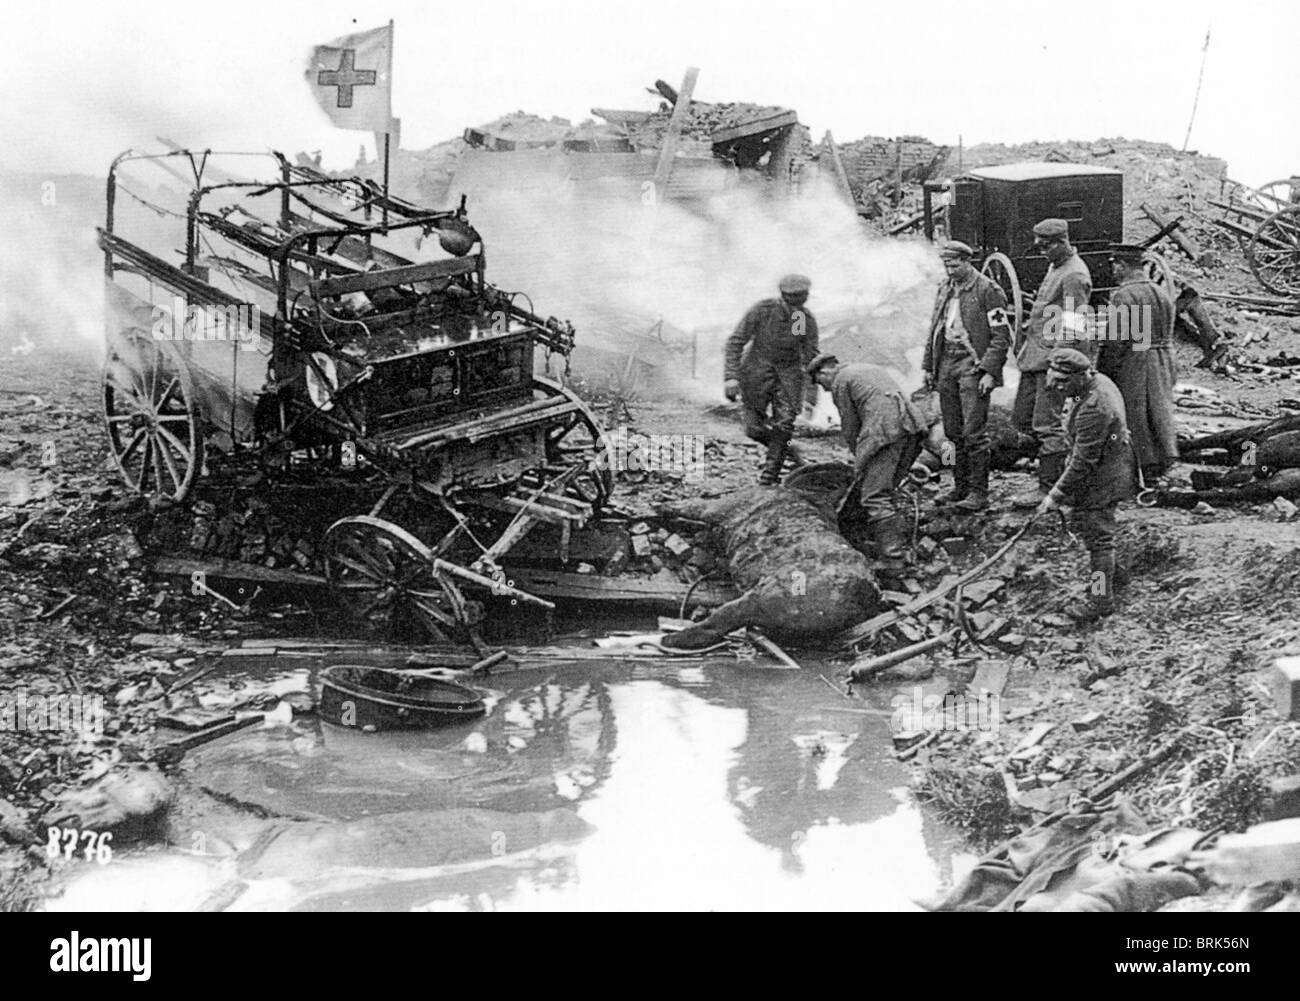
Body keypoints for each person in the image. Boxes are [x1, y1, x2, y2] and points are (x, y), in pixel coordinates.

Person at [1035, 348, 1137, 622]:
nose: (1054, 385)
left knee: (1098, 538)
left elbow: (1082, 461)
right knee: (1094, 529)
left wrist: (1054, 496)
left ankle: (1100, 601)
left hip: (1105, 476)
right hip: (1107, 466)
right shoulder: (1096, 382)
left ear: (1082, 376)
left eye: (1062, 381)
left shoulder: (1094, 407)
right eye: (1052, 378)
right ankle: (1117, 576)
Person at [807, 353, 928, 568]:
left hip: (885, 433)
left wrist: (859, 460)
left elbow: (850, 427)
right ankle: (893, 543)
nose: (824, 389)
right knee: (887, 488)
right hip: (912, 428)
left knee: (874, 497)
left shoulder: (841, 381)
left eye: (820, 383)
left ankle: (893, 561)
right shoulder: (864, 367)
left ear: (825, 371)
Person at [922, 240, 1013, 511]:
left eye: (954, 264)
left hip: (973, 366)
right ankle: (958, 486)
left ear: (967, 262)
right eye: (946, 264)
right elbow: (934, 329)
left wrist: (989, 371)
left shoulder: (987, 290)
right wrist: (928, 365)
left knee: (974, 432)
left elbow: (1001, 336)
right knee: (952, 432)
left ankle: (978, 493)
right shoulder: (945, 288)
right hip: (946, 363)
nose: (949, 269)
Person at [1012, 218, 1095, 508]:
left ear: (1062, 243)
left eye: (1046, 246)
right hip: (1036, 356)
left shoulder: (1074, 275)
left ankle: (1050, 487)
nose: (1042, 252)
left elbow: (1075, 325)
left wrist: (1058, 367)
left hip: (1052, 361)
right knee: (1022, 418)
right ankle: (1059, 470)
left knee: (1047, 424)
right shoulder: (1057, 266)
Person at [1096, 244, 1179, 485]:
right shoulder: (1160, 291)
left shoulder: (1125, 295)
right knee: (1160, 410)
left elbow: (1116, 338)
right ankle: (1165, 461)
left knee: (1136, 413)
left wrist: (1105, 370)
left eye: (1114, 265)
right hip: (1163, 356)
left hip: (1138, 358)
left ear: (1121, 265)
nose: (1113, 271)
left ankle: (1143, 470)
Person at [725, 274, 820, 485]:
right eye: (794, 298)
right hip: (756, 373)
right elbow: (736, 342)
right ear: (784, 296)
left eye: (802, 297)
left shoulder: (801, 319)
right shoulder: (763, 311)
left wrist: (810, 397)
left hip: (787, 376)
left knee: (784, 425)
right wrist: (730, 377)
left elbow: (809, 357)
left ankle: (769, 477)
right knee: (753, 429)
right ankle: (784, 448)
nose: (799, 302)